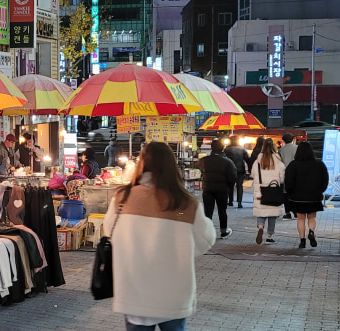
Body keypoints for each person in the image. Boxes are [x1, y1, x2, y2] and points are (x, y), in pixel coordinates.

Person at [105, 142, 215, 331]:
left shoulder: (123, 198)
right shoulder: (186, 203)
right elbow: (206, 239)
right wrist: (182, 249)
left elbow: (110, 233)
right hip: (174, 291)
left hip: (134, 289)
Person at [284, 141, 329, 248]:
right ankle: (311, 232)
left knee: (300, 219)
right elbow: (325, 180)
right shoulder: (319, 164)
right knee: (312, 218)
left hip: (297, 198)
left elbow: (288, 182)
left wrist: (290, 193)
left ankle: (302, 240)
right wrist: (320, 191)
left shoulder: (293, 165)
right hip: (314, 197)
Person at [198, 139, 237, 238]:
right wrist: (229, 186)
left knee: (208, 211)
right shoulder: (228, 162)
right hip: (222, 189)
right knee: (222, 210)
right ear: (222, 148)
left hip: (207, 189)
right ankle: (224, 231)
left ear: (212, 148)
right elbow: (233, 177)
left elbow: (200, 169)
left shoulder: (204, 160)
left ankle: (207, 232)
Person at [250, 138, 285, 245]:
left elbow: (253, 175)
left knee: (261, 212)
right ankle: (270, 236)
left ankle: (260, 227)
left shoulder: (257, 162)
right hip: (274, 191)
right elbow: (282, 178)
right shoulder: (279, 162)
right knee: (272, 214)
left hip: (260, 191)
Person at [223, 136, 250, 208]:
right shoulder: (242, 149)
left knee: (230, 186)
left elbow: (223, 159)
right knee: (239, 186)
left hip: (230, 170)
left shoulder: (227, 149)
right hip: (241, 169)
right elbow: (247, 159)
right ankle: (239, 202)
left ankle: (230, 201)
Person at [279, 134, 299, 219]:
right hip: (296, 174)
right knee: (295, 193)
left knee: (285, 194)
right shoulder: (297, 148)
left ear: (283, 140)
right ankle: (296, 212)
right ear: (292, 139)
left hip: (285, 174)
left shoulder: (281, 150)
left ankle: (287, 212)